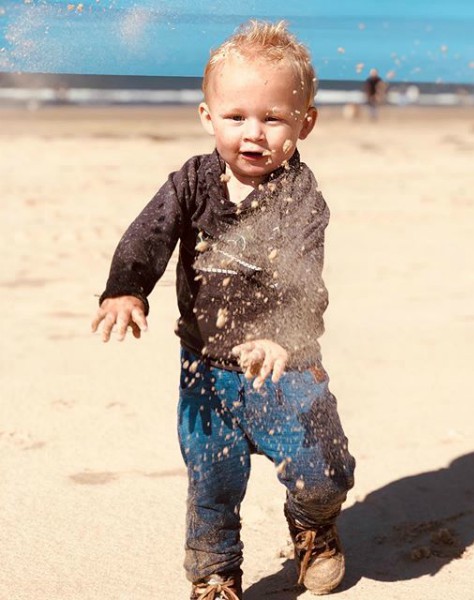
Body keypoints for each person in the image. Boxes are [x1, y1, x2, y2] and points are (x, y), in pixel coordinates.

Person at [91, 20, 355, 600]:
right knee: (211, 478)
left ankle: (314, 524)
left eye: (273, 118)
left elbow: (306, 279)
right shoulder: (191, 181)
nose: (253, 133)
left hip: (287, 367)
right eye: (236, 117)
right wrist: (126, 287)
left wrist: (279, 335)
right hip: (205, 368)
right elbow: (149, 234)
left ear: (304, 122)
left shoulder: (301, 198)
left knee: (323, 471)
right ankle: (215, 574)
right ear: (208, 116)